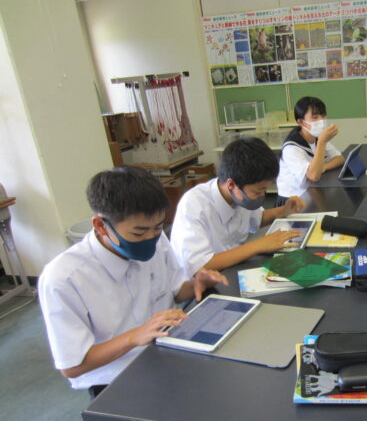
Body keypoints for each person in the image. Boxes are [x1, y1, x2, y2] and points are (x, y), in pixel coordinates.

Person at [39, 167, 227, 399]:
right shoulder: (64, 278)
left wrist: (197, 283)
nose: (150, 238)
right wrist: (134, 336)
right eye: (138, 234)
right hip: (117, 380)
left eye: (158, 227)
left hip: (170, 354)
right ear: (100, 226)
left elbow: (175, 291)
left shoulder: (156, 239)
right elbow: (72, 365)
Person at [170, 136, 306, 275]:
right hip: (206, 282)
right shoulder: (194, 206)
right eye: (258, 191)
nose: (262, 196)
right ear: (231, 184)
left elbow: (258, 219)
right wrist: (259, 245)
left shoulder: (239, 194)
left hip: (234, 269)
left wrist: (284, 211)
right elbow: (199, 266)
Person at [275, 97, 345, 205]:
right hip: (292, 200)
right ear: (301, 122)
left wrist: (324, 167)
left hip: (311, 193)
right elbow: (313, 176)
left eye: (323, 115)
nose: (321, 120)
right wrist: (322, 143)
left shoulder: (316, 137)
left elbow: (339, 158)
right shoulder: (291, 148)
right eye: (315, 117)